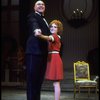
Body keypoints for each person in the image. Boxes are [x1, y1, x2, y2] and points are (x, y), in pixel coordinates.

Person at [25, 0, 51, 100]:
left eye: (43, 4)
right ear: (34, 7)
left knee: (39, 81)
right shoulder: (33, 16)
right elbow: (33, 23)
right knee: (32, 81)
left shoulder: (44, 20)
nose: (41, 5)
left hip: (43, 53)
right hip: (34, 52)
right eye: (38, 4)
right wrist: (36, 30)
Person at [35, 20, 64, 100]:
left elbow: (48, 38)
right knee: (55, 83)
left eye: (55, 27)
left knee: (56, 83)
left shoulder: (54, 36)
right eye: (51, 26)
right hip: (53, 58)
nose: (52, 28)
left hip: (55, 59)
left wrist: (40, 35)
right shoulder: (56, 36)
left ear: (58, 29)